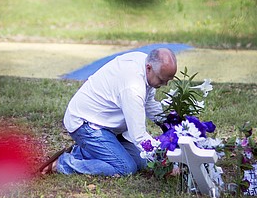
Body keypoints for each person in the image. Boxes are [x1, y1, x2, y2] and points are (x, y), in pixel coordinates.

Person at [42, 47, 177, 176]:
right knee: (125, 168)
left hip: (108, 127)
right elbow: (139, 136)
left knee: (142, 162)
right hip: (86, 124)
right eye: (161, 80)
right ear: (149, 68)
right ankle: (64, 163)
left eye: (167, 81)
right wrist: (164, 163)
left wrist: (171, 125)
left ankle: (85, 152)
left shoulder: (145, 63)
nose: (164, 85)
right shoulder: (133, 87)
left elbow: (149, 103)